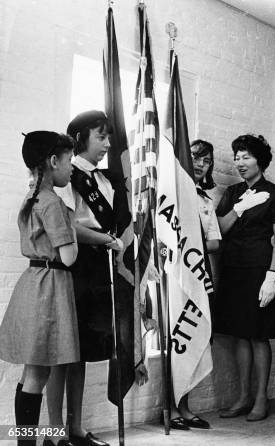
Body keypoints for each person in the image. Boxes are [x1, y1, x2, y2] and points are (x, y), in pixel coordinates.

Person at [45, 111, 123, 446]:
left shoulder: (106, 181)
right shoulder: (65, 175)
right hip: (70, 269)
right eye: (100, 136)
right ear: (80, 138)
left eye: (108, 137)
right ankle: (54, 432)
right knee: (63, 353)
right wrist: (108, 240)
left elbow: (116, 224)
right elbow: (68, 226)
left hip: (97, 271)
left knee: (83, 352)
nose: (107, 144)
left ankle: (75, 429)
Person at [0, 131, 78, 446]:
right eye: (69, 161)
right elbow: (69, 257)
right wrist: (73, 223)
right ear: (53, 161)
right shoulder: (52, 202)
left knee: (32, 372)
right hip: (50, 288)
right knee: (37, 375)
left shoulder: (32, 197)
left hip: (33, 283)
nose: (71, 168)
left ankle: (26, 442)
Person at [215, 134, 275, 421]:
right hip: (234, 269)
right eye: (237, 157)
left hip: (260, 270)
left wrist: (273, 275)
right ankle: (244, 395)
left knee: (259, 335)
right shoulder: (233, 193)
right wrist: (239, 207)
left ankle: (261, 399)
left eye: (246, 156)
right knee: (239, 335)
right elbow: (220, 228)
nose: (239, 162)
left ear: (260, 160)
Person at [160, 139, 220, 430]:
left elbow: (215, 241)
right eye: (195, 157)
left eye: (206, 160)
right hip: (172, 273)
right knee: (172, 338)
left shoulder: (205, 200)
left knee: (192, 333)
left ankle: (185, 406)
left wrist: (193, 242)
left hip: (197, 272)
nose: (200, 164)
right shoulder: (171, 194)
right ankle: (168, 408)